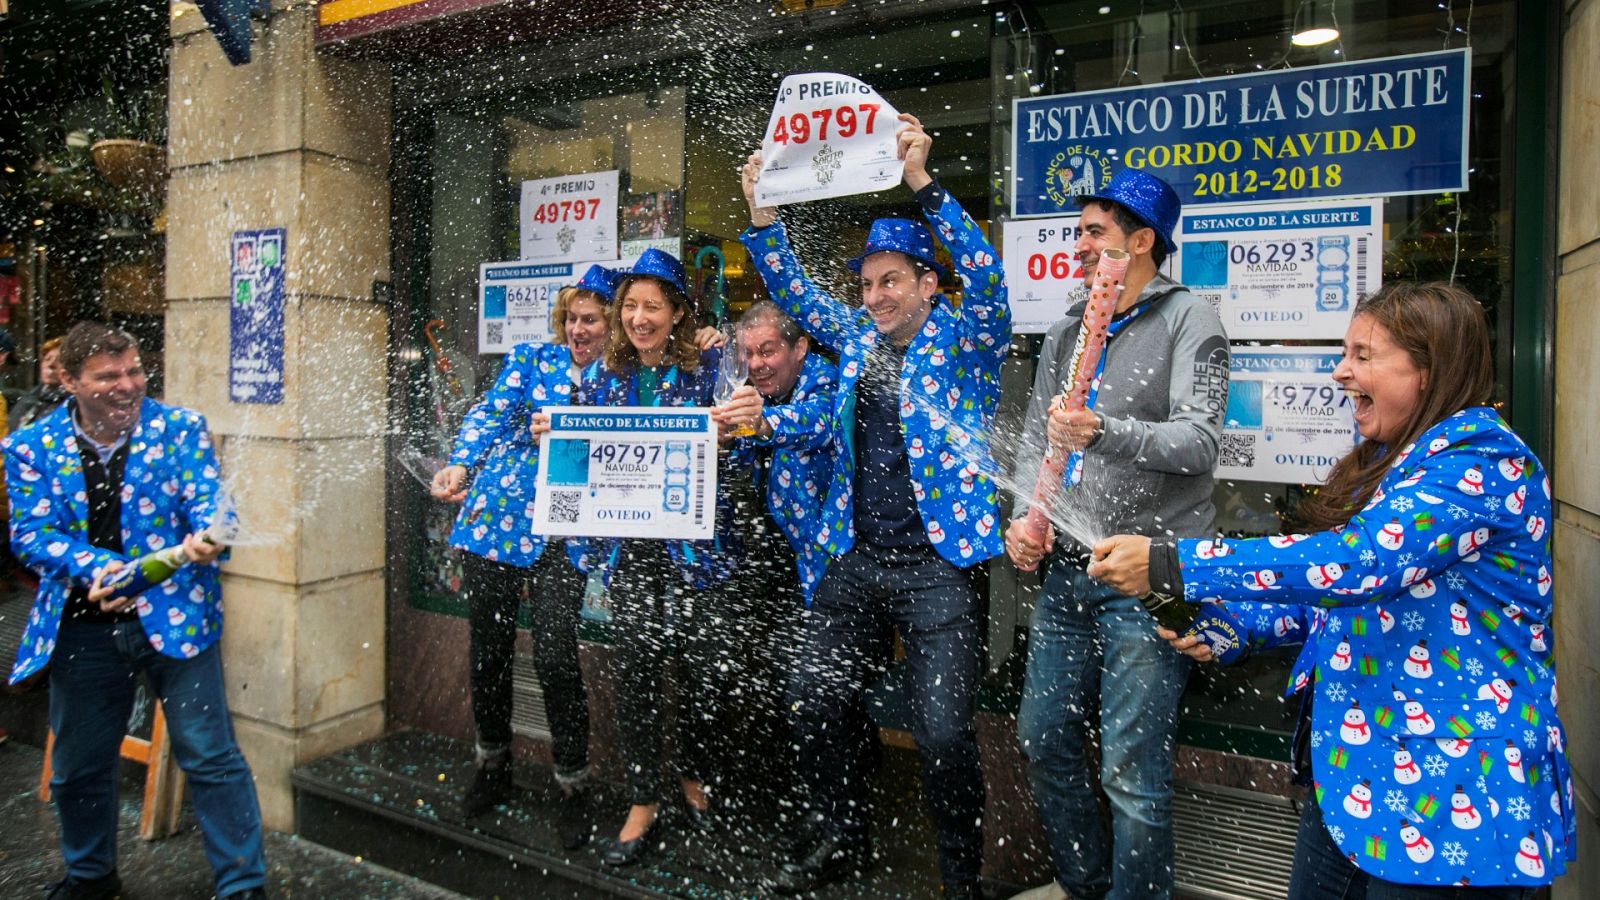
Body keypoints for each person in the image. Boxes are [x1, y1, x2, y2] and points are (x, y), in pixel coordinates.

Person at [1088, 282, 1575, 897]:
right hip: (1357, 782)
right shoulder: (1397, 460)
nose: (1341, 372)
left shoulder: (1482, 462)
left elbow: (1357, 564)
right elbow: (1350, 596)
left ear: (1429, 369)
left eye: (1363, 355)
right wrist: (1241, 626)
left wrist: (1174, 563)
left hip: (1451, 797)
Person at [738, 114, 1010, 899]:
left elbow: (989, 277)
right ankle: (843, 836)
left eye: (891, 279)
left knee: (944, 733)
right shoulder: (854, 338)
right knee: (816, 697)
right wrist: (762, 215)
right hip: (853, 559)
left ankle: (960, 875)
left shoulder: (969, 340)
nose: (874, 295)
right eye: (865, 282)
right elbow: (792, 292)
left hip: (938, 570)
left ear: (929, 283)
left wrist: (922, 180)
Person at [1002, 168, 1229, 900]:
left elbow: (1201, 442)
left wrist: (1105, 431)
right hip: (1069, 571)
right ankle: (1086, 883)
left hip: (1154, 578)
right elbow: (1040, 435)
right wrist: (1026, 520)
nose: (1078, 246)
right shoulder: (1068, 327)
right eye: (1077, 231)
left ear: (1140, 242)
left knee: (1132, 771)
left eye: (1093, 233)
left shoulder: (1193, 318)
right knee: (1041, 740)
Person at [5, 322, 266, 900]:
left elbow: (209, 499)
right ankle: (91, 878)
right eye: (107, 376)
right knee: (78, 767)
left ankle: (244, 886)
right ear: (70, 380)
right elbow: (30, 536)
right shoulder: (29, 447)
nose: (127, 386)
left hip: (178, 622)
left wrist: (210, 531)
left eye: (134, 371)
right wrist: (101, 569)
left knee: (211, 757)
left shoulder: (180, 428)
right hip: (81, 631)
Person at [556, 248, 744, 867]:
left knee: (701, 670)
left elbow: (742, 443)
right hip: (632, 548)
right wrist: (554, 433)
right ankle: (643, 798)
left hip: (696, 547)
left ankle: (693, 776)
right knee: (634, 669)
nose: (639, 318)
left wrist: (727, 432)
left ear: (678, 312)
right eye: (630, 306)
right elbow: (584, 453)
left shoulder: (711, 363)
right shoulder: (605, 376)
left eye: (652, 307)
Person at [428, 264, 621, 848]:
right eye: (570, 318)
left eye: (590, 319)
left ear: (611, 324)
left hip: (568, 531)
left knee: (558, 657)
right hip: (499, 519)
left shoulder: (623, 374)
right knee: (488, 652)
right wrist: (462, 460)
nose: (577, 330)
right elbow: (489, 412)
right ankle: (492, 764)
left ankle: (573, 784)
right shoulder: (532, 358)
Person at [10, 336, 70, 432]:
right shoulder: (28, 399)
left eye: (60, 360)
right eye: (47, 359)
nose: (51, 364)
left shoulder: (74, 404)